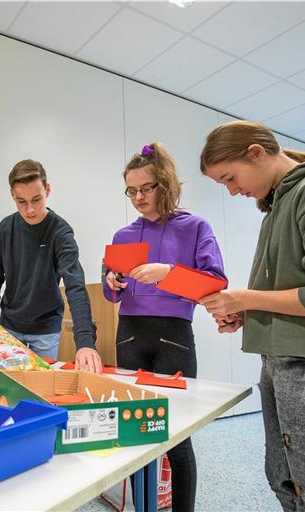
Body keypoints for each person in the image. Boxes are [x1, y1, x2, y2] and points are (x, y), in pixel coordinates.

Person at [199, 120, 305, 512]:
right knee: (285, 480)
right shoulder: (276, 206)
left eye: (230, 178)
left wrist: (245, 298)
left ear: (256, 152)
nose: (233, 190)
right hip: (283, 359)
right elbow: (292, 289)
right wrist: (247, 312)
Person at [103, 143, 227, 512]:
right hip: (129, 334)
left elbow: (213, 283)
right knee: (136, 435)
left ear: (165, 184)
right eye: (131, 191)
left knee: (177, 437)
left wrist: (167, 274)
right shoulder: (124, 234)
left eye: (146, 188)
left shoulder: (194, 227)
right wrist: (112, 283)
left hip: (173, 336)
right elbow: (110, 291)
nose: (138, 197)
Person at [0, 159, 103, 372]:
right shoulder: (5, 229)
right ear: (12, 196)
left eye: (36, 199)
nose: (30, 210)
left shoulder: (61, 233)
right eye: (21, 202)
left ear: (47, 190)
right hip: (9, 325)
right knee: (6, 385)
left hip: (45, 329)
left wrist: (85, 342)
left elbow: (75, 286)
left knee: (40, 387)